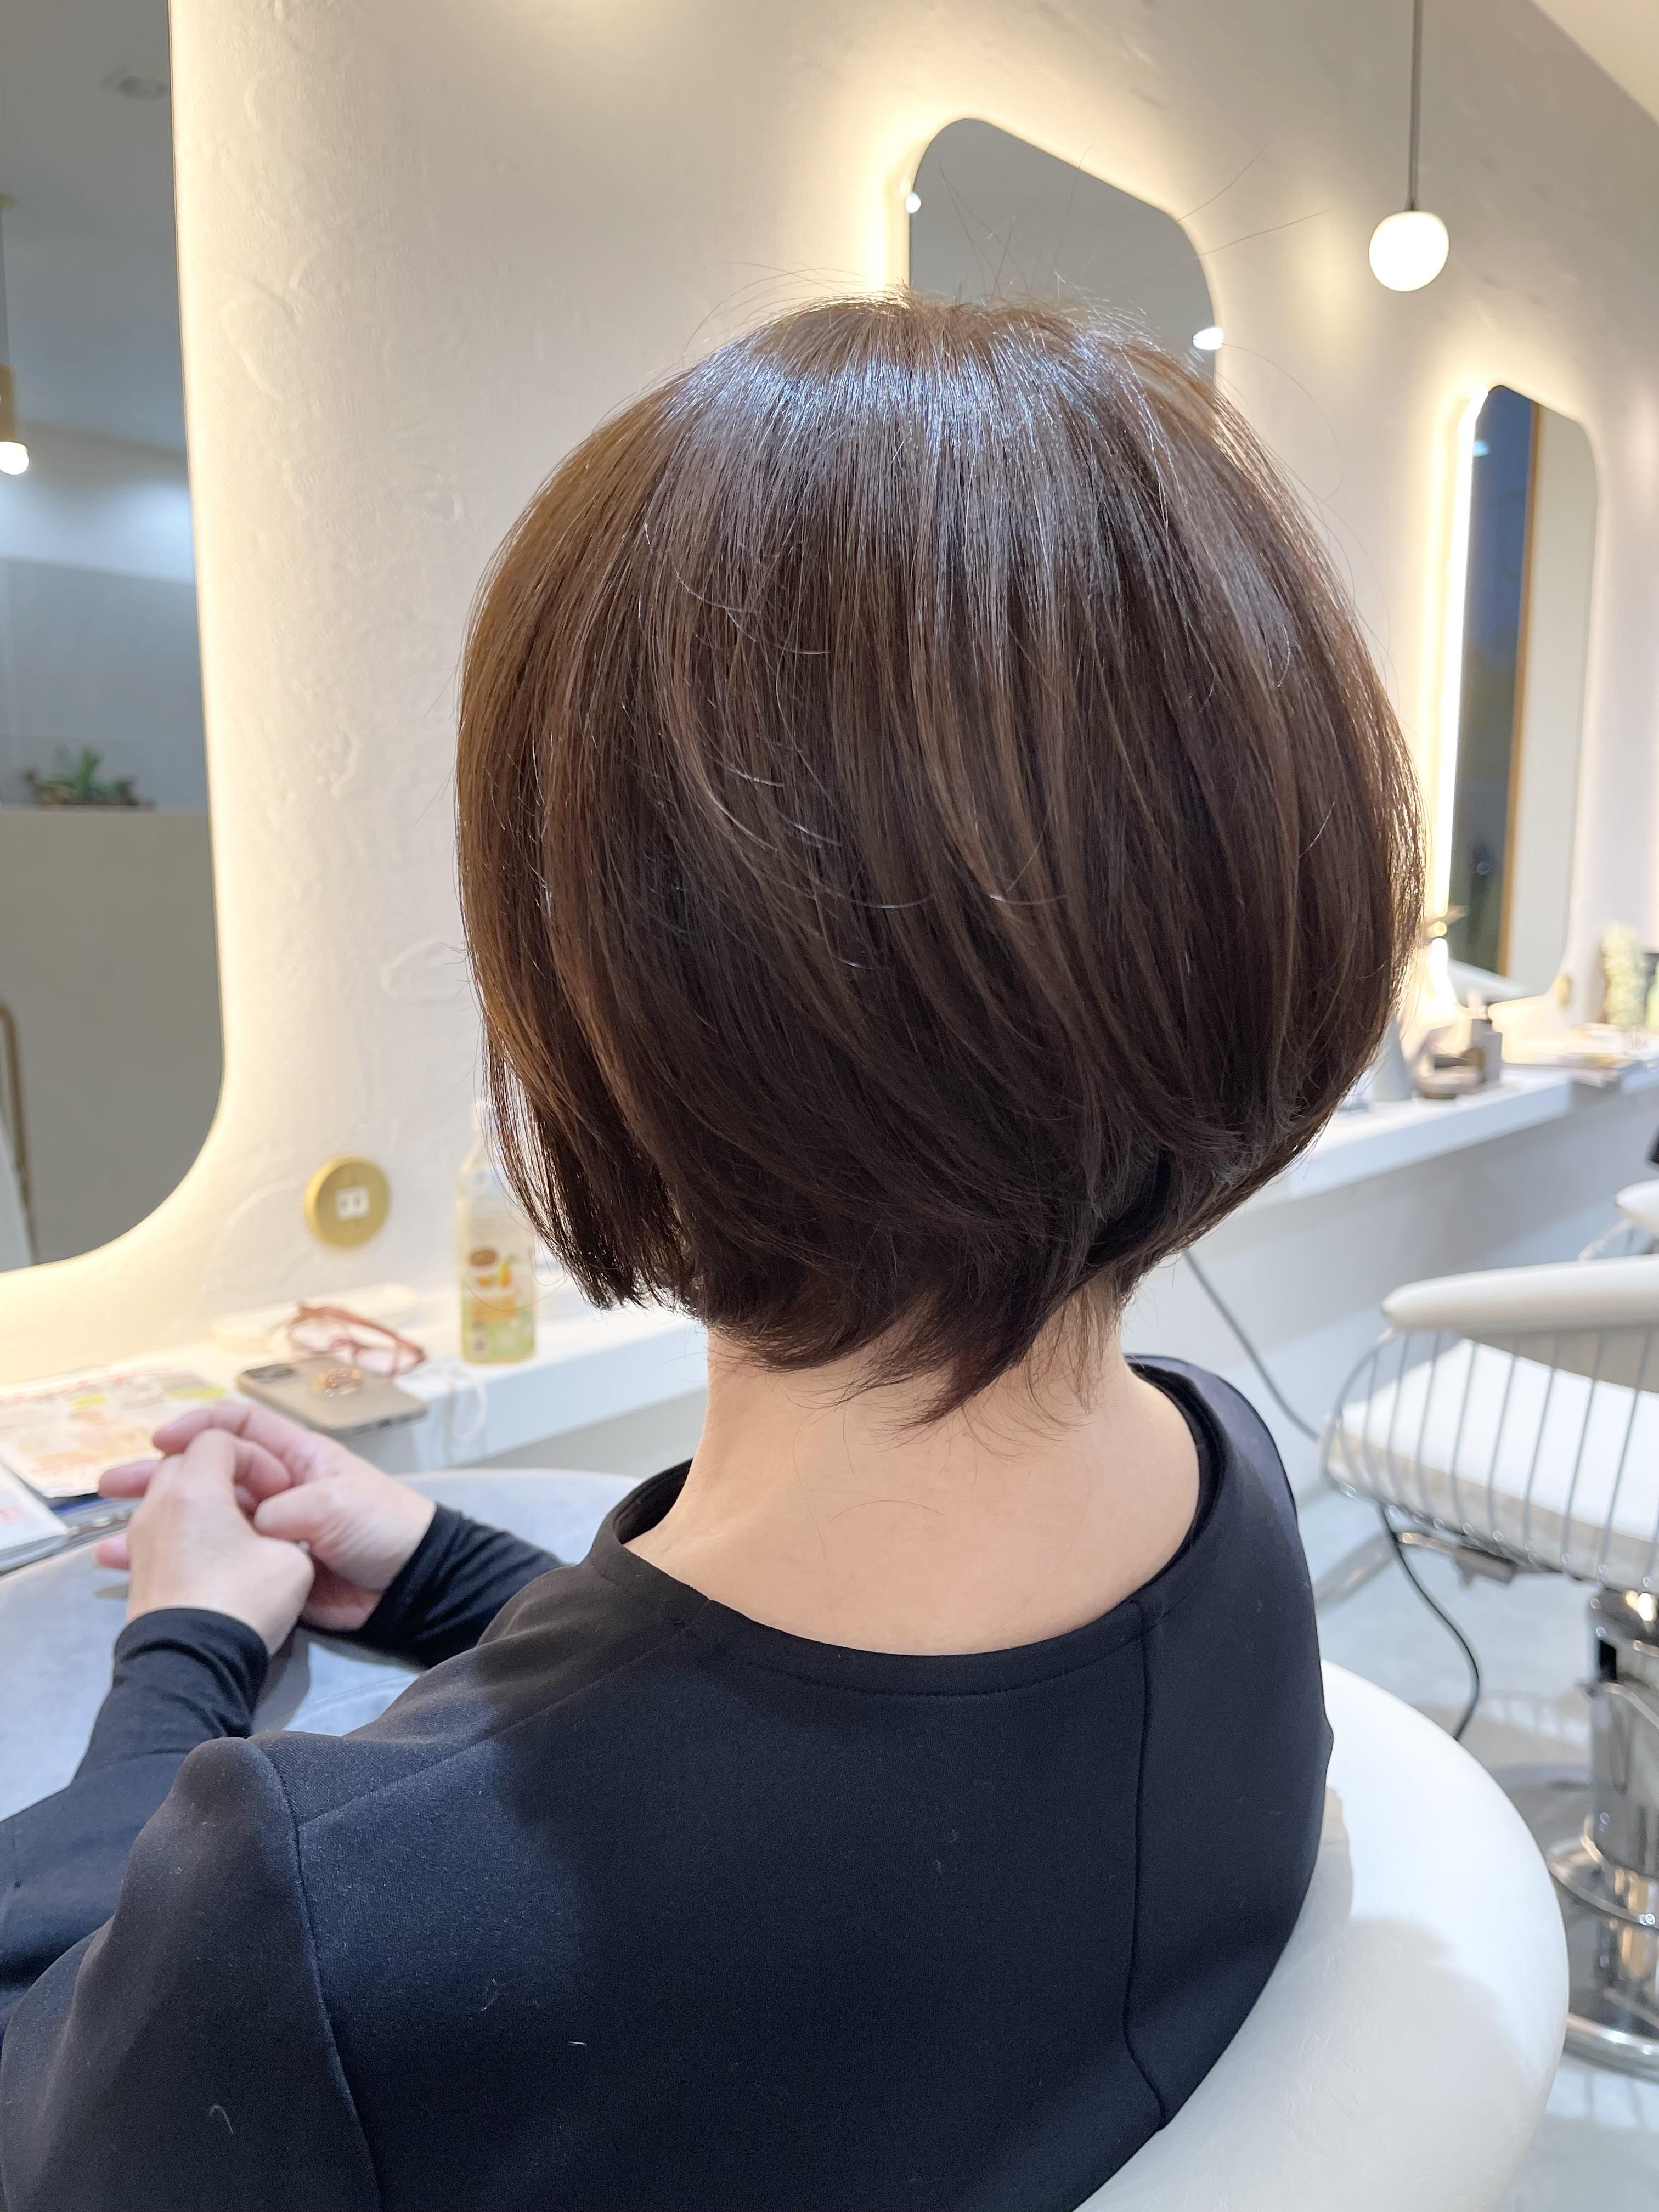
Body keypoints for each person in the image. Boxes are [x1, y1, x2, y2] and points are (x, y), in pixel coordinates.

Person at [0, 295, 1420, 2211]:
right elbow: (819, 1776)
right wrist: (431, 1566)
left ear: (605, 979)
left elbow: (67, 2065)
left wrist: (178, 1649)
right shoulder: (1219, 1501)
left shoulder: (306, 1932)